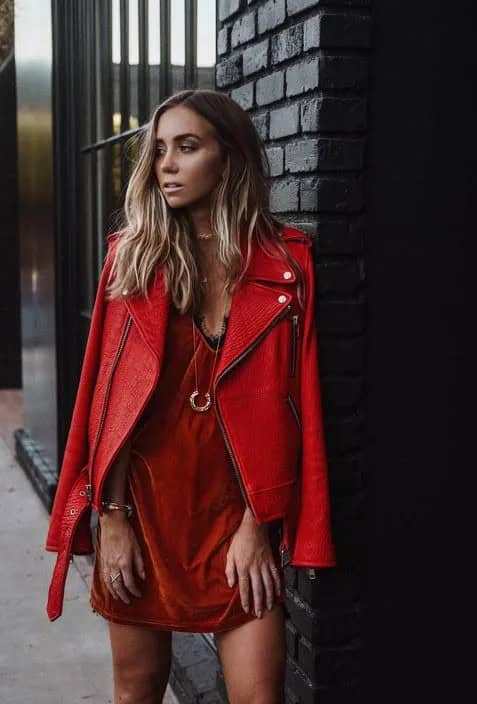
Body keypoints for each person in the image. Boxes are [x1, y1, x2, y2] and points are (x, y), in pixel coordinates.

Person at [44, 88, 337, 704]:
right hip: (144, 514)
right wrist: (112, 522)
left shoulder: (286, 266)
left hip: (235, 517)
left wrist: (259, 525)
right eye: (158, 152)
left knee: (261, 696)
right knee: (137, 690)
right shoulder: (133, 259)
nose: (166, 165)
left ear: (228, 159)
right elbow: (108, 399)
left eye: (187, 147)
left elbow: (297, 404)